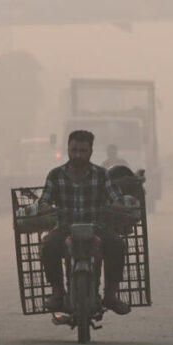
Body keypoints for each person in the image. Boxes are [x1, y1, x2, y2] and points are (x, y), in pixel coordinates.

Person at [37, 130, 131, 315]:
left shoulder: (102, 174)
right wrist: (45, 208)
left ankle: (111, 295)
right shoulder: (55, 175)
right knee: (48, 246)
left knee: (118, 245)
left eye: (82, 150)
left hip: (96, 226)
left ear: (91, 151)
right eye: (74, 150)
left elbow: (116, 198)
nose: (78, 155)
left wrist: (118, 205)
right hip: (65, 227)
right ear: (68, 150)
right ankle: (57, 292)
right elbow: (44, 201)